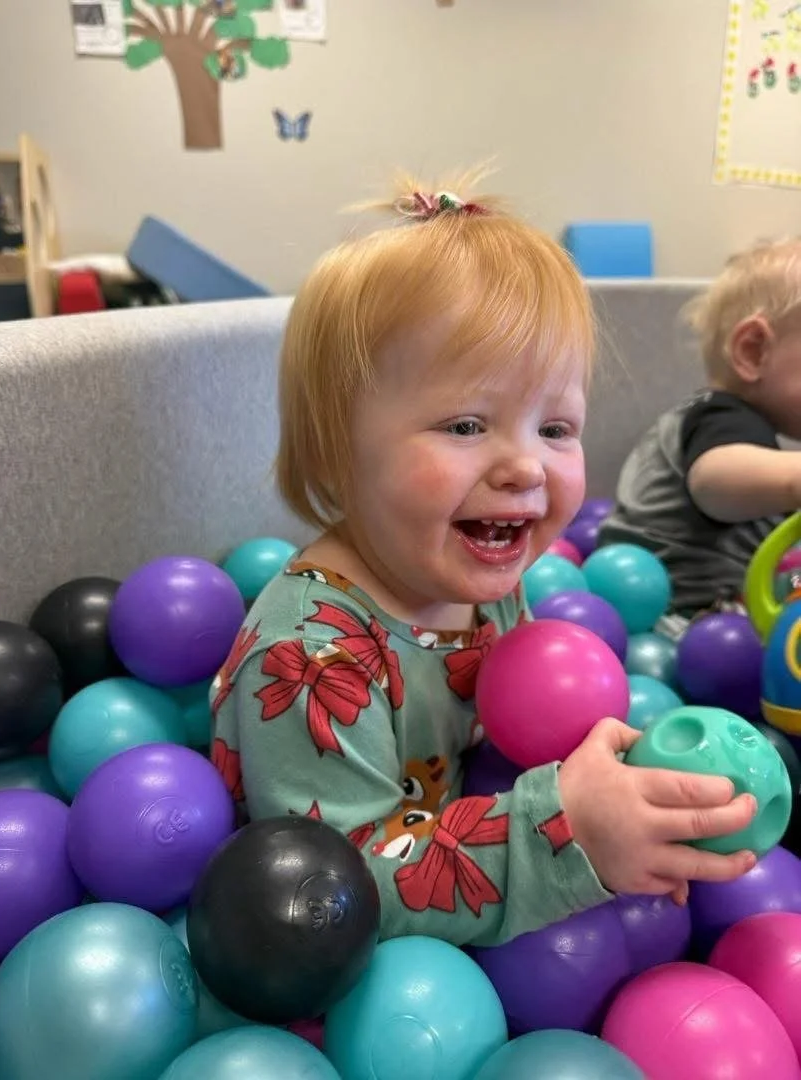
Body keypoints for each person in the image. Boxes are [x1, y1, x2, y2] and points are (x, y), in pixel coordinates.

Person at [209, 171, 757, 946]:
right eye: (467, 426)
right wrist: (570, 835)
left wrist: (619, 790)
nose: (526, 468)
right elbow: (333, 896)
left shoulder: (479, 571)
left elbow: (522, 731)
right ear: (337, 453)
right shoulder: (308, 660)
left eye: (556, 429)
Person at [599, 238, 801, 622]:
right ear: (753, 350)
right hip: (680, 620)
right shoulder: (722, 420)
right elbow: (715, 483)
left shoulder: (723, 422)